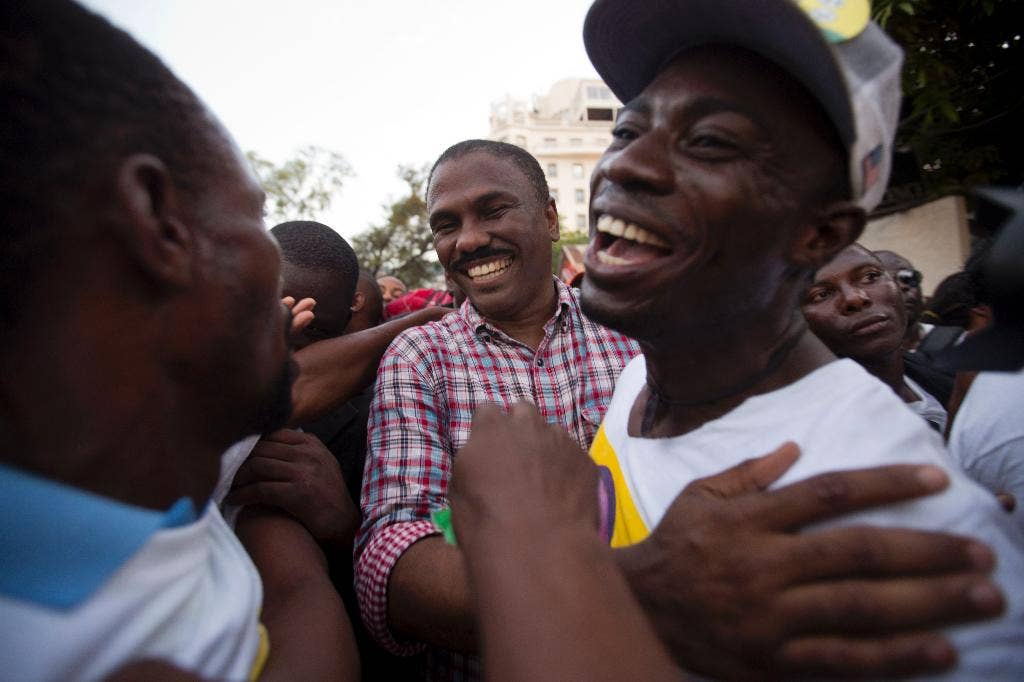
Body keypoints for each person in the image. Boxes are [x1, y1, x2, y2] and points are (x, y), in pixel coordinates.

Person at [573, 0, 1023, 677]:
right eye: (629, 128)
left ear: (819, 235)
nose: (628, 166)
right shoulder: (646, 372)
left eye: (711, 143)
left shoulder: (901, 519)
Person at [0, 2, 356, 680]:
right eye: (255, 215)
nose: (278, 283)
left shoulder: (178, 445)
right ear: (160, 223)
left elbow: (299, 593)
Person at [355, 139, 640, 678]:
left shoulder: (633, 330)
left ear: (551, 218)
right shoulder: (420, 358)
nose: (469, 240)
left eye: (494, 211)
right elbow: (392, 559)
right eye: (446, 225)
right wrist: (645, 580)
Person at [802, 244, 949, 432]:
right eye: (821, 295)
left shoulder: (948, 378)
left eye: (870, 276)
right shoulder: (808, 436)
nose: (855, 298)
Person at [875, 249, 928, 350]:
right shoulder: (849, 357)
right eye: (887, 280)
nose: (903, 286)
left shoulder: (958, 341)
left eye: (909, 278)